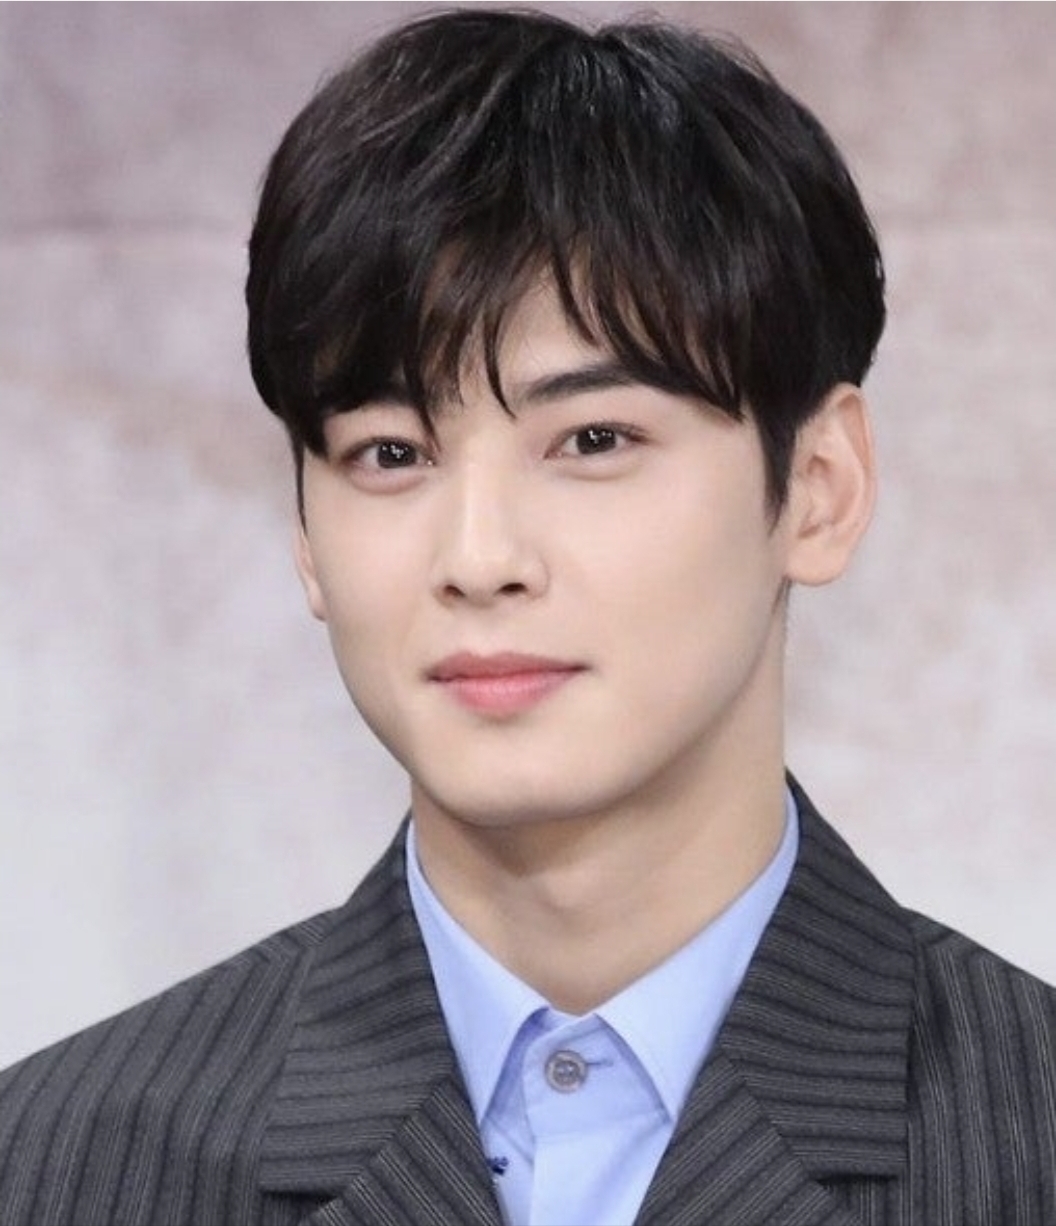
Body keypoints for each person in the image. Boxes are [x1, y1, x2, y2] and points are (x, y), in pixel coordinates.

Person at [1, 8, 1053, 1225]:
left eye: (593, 438)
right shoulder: (51, 1163)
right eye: (391, 452)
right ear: (305, 533)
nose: (479, 557)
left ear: (819, 489)